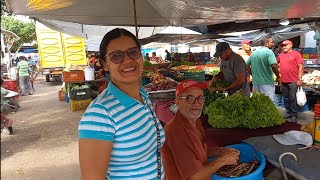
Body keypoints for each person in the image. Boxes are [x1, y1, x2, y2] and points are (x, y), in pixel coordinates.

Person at [78, 28, 165, 180]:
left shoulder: (143, 95)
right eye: (116, 56)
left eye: (133, 52)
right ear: (104, 64)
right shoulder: (99, 114)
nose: (127, 60)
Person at [162, 80, 240, 180]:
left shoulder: (195, 121)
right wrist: (223, 160)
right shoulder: (175, 131)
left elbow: (196, 154)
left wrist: (220, 151)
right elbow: (195, 176)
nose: (197, 103)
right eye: (189, 98)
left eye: (200, 98)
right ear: (177, 102)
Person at [246, 37, 280, 102]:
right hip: (267, 83)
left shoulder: (254, 53)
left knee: (257, 103)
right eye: (271, 42)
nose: (273, 44)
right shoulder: (269, 52)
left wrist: (252, 74)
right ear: (266, 43)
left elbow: (246, 66)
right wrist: (278, 77)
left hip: (256, 83)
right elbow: (274, 66)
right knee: (268, 103)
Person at [277, 40, 304, 122]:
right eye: (282, 45)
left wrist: (299, 79)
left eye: (286, 45)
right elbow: (274, 64)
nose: (284, 47)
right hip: (283, 80)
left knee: (292, 98)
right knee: (286, 98)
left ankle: (294, 114)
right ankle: (289, 113)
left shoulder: (296, 54)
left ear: (291, 45)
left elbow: (301, 67)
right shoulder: (280, 55)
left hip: (293, 80)